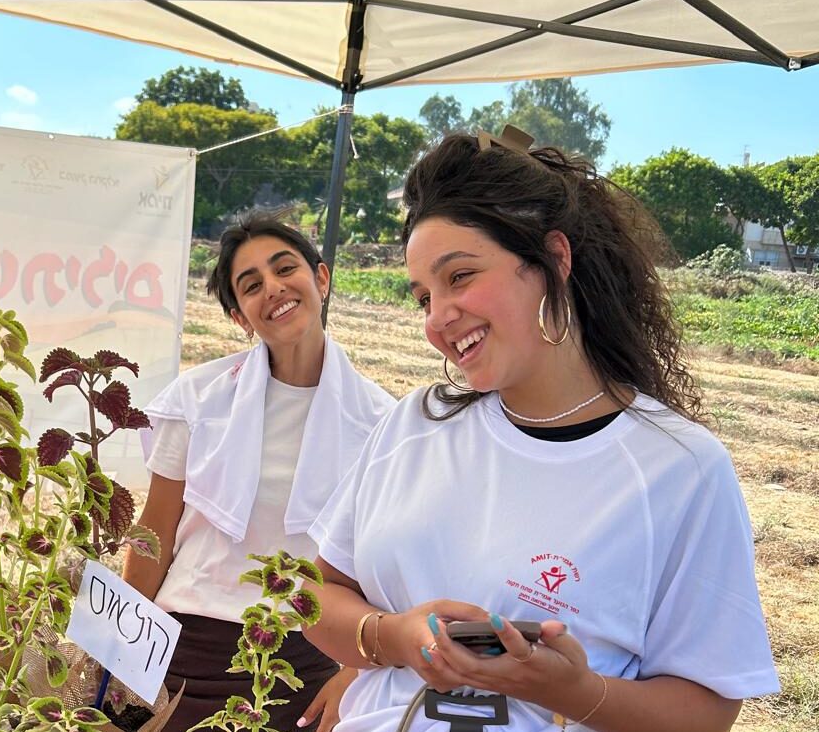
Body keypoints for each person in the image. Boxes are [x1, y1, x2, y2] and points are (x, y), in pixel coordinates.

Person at [303, 128, 779, 732]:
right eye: (423, 296)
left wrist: (575, 692)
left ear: (554, 260)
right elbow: (313, 596)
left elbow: (708, 713)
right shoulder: (414, 423)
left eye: (460, 276)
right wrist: (394, 637)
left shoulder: (680, 468)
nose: (438, 318)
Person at [125, 213, 397, 732]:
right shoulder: (197, 399)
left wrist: (355, 673)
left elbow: (383, 568)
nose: (273, 289)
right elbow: (154, 529)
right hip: (183, 650)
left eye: (284, 269)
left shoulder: (382, 422)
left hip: (303, 665)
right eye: (251, 286)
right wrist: (120, 650)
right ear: (239, 315)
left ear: (321, 278)